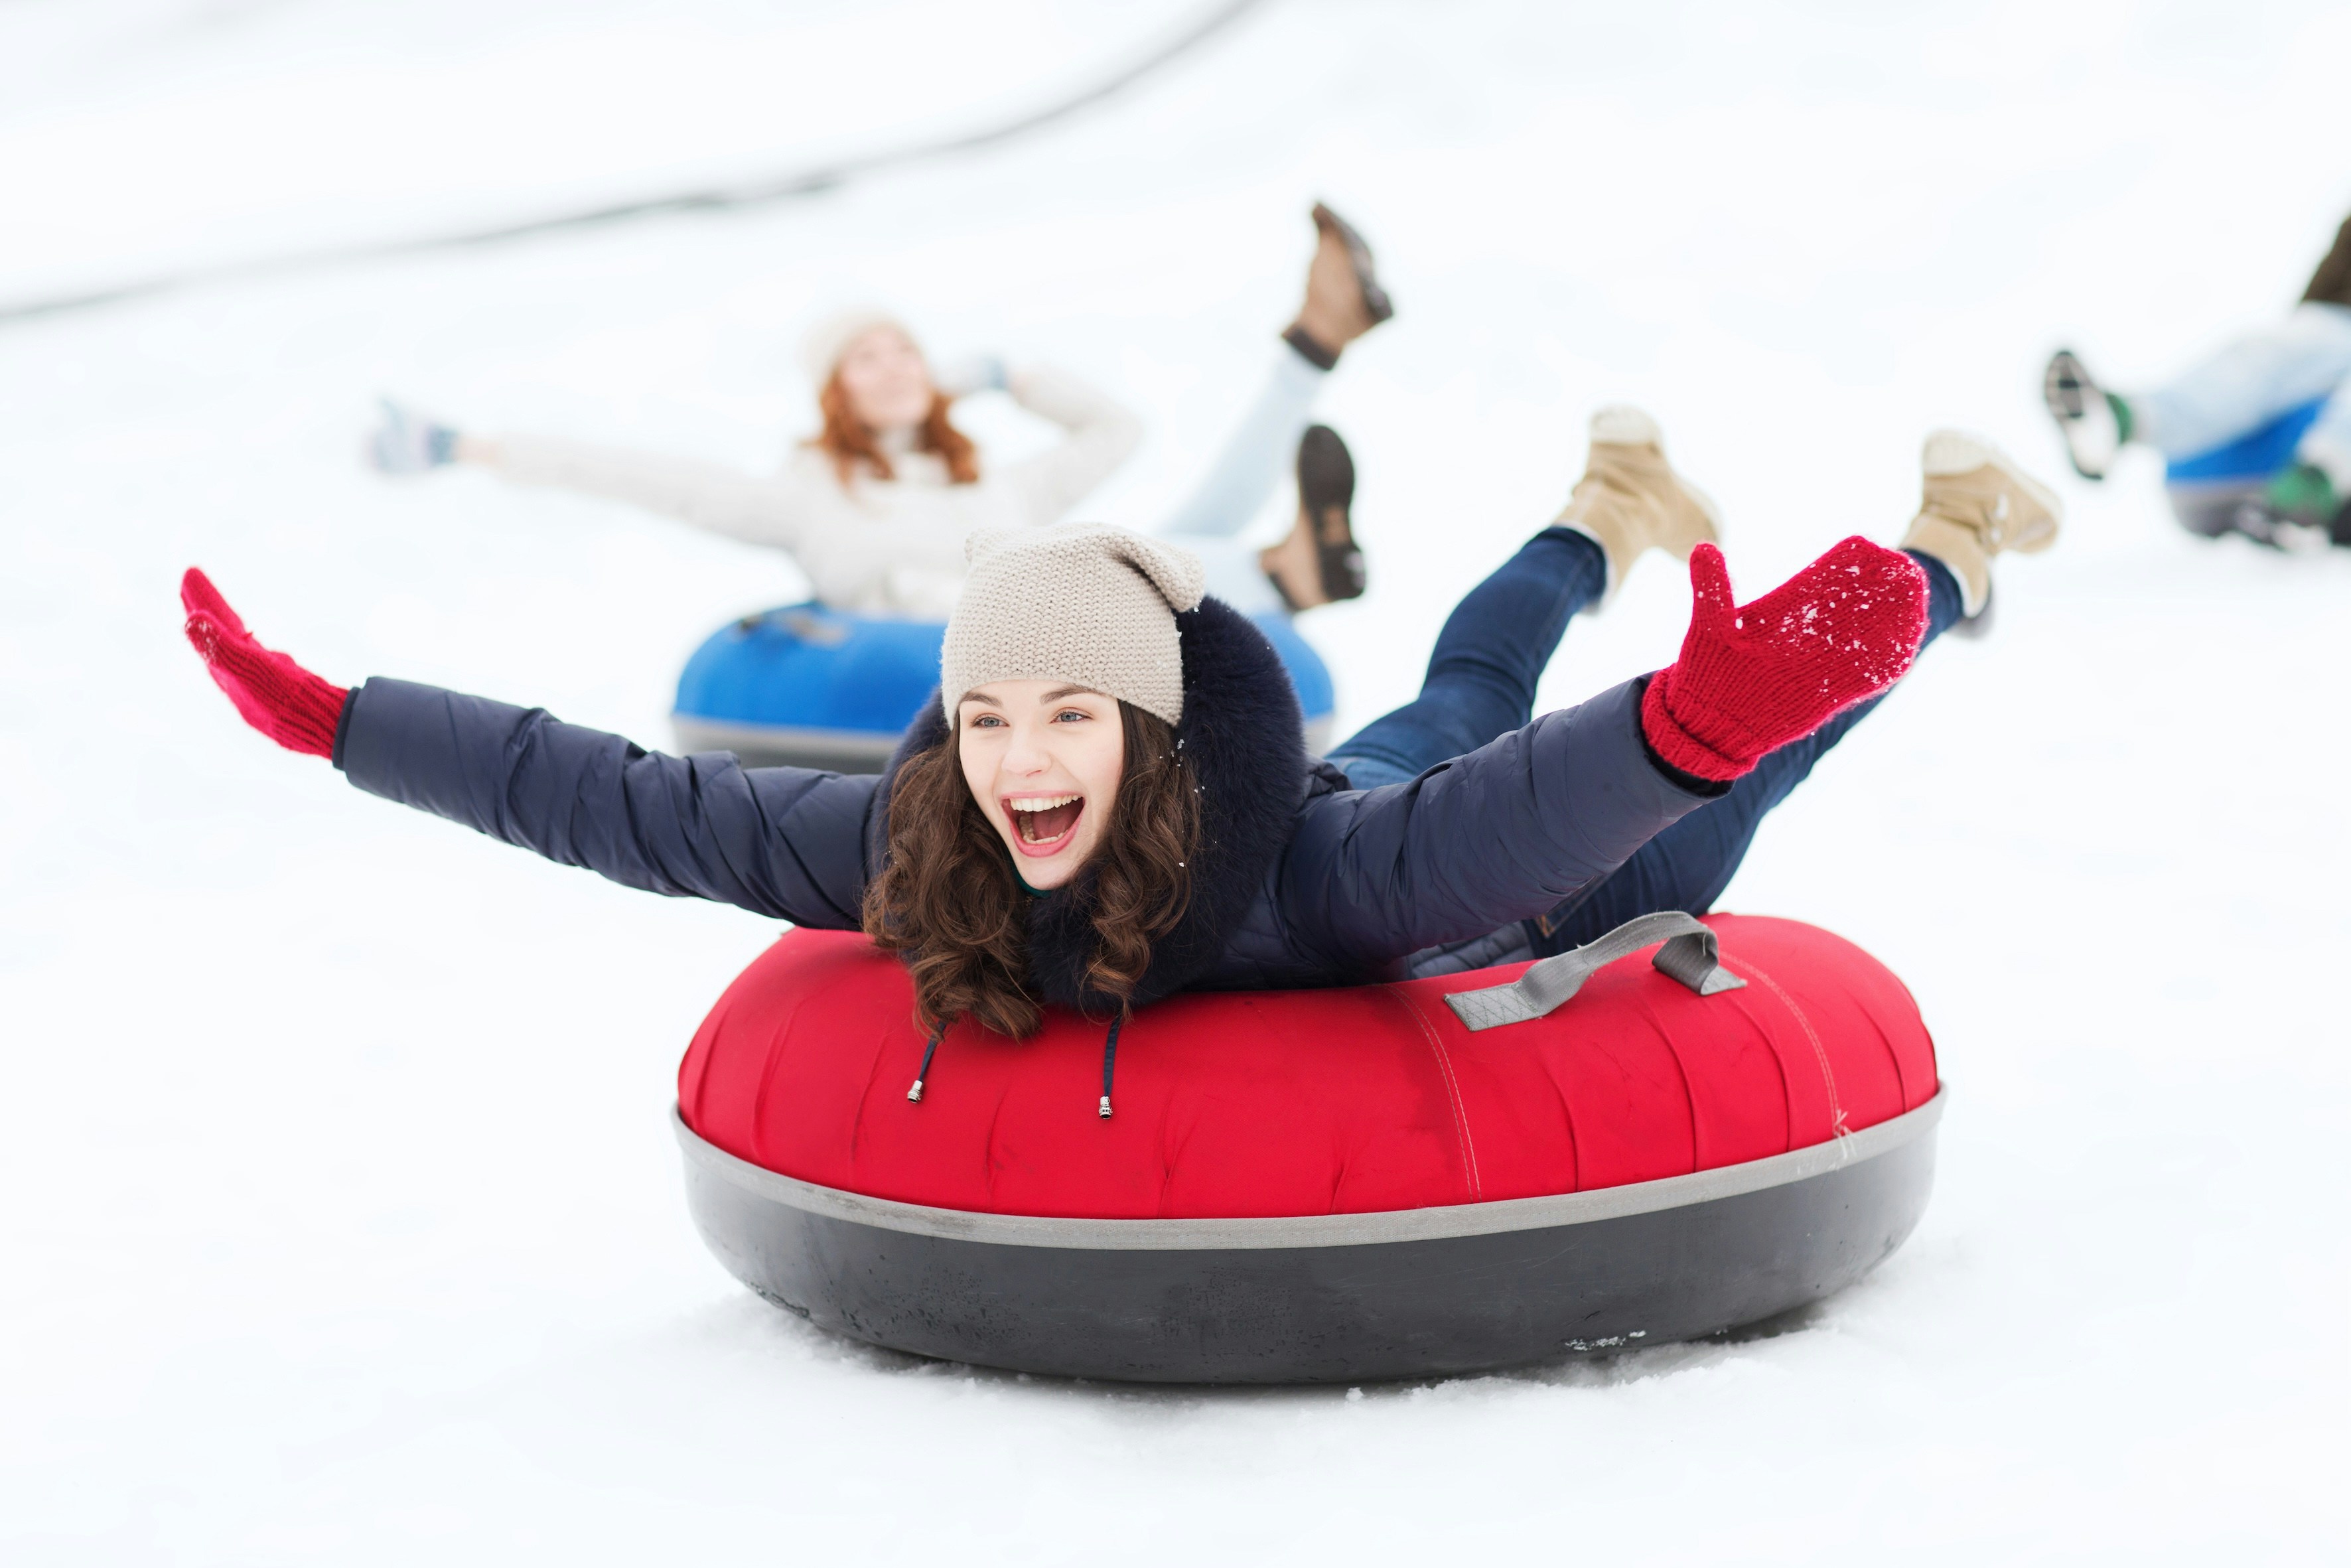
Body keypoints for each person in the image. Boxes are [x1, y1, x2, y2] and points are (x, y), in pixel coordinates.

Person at [182, 409, 2058, 1096]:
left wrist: (1682, 731)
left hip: (1547, 876)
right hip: (1373, 786)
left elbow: (1489, 836)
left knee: (1723, 727)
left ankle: (1945, 547)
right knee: (1468, 677)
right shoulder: (921, 845)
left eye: (1067, 716)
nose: (1020, 760)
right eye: (989, 718)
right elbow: (633, 802)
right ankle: (1611, 496)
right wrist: (349, 723)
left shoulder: (1309, 879)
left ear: (1145, 736)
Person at [368, 204, 1393, 620]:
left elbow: (1115, 431)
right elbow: (650, 477)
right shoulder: (807, 492)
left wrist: (1005, 373)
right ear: (837, 390)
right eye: (866, 356)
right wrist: (472, 446)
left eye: (906, 348)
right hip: (994, 635)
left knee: (1191, 529)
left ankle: (1316, 339)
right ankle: (1282, 567)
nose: (894, 365)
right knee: (1161, 552)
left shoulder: (989, 478)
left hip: (1075, 591)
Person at [2044, 212, 2351, 543]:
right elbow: (2311, 315)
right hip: (2220, 481)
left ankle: (2322, 478)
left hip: (2326, 476)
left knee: (2309, 336)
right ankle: (2127, 420)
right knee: (2297, 339)